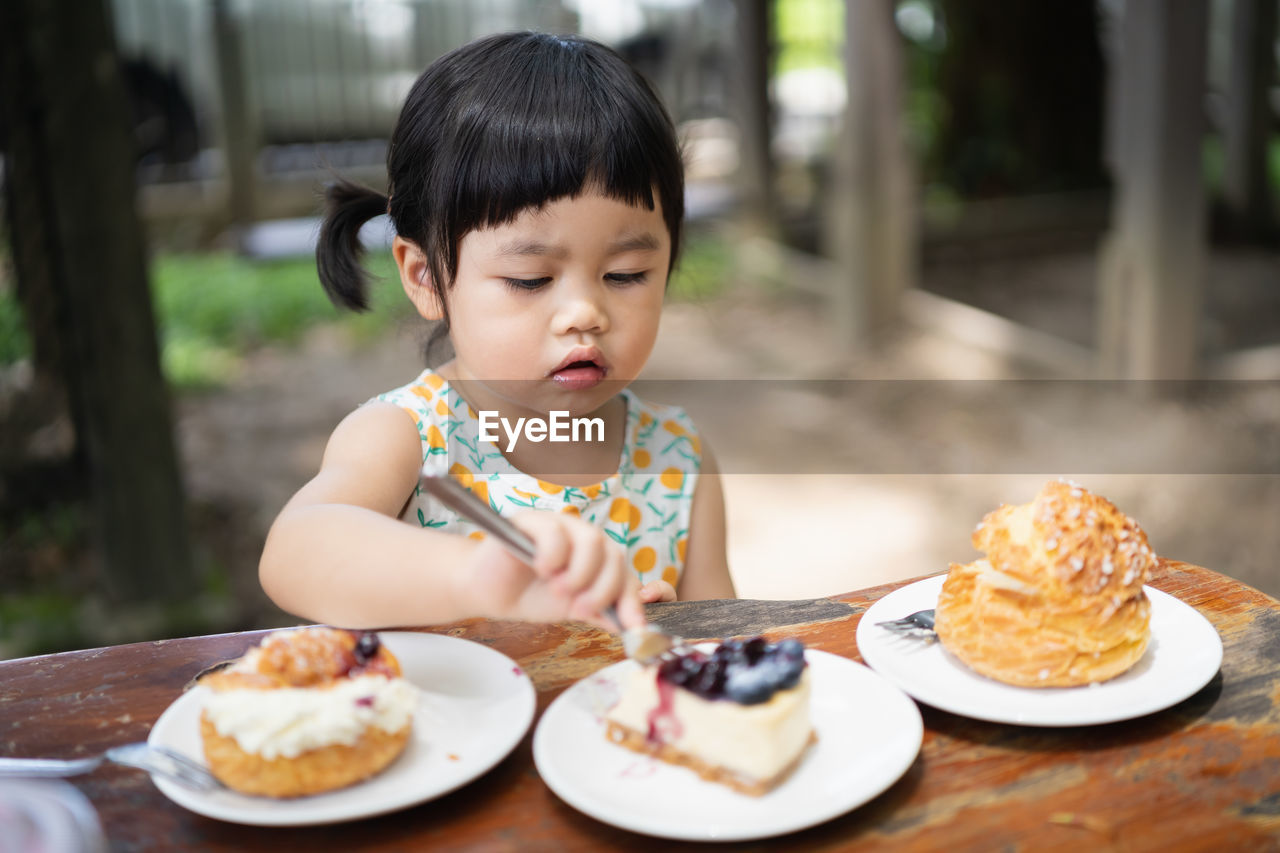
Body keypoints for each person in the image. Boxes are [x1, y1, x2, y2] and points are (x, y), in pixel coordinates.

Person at [259, 32, 735, 633]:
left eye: (625, 274)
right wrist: (474, 573)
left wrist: (674, 634)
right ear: (427, 277)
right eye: (530, 279)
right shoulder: (409, 438)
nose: (583, 312)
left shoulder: (677, 458)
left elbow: (726, 639)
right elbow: (296, 553)